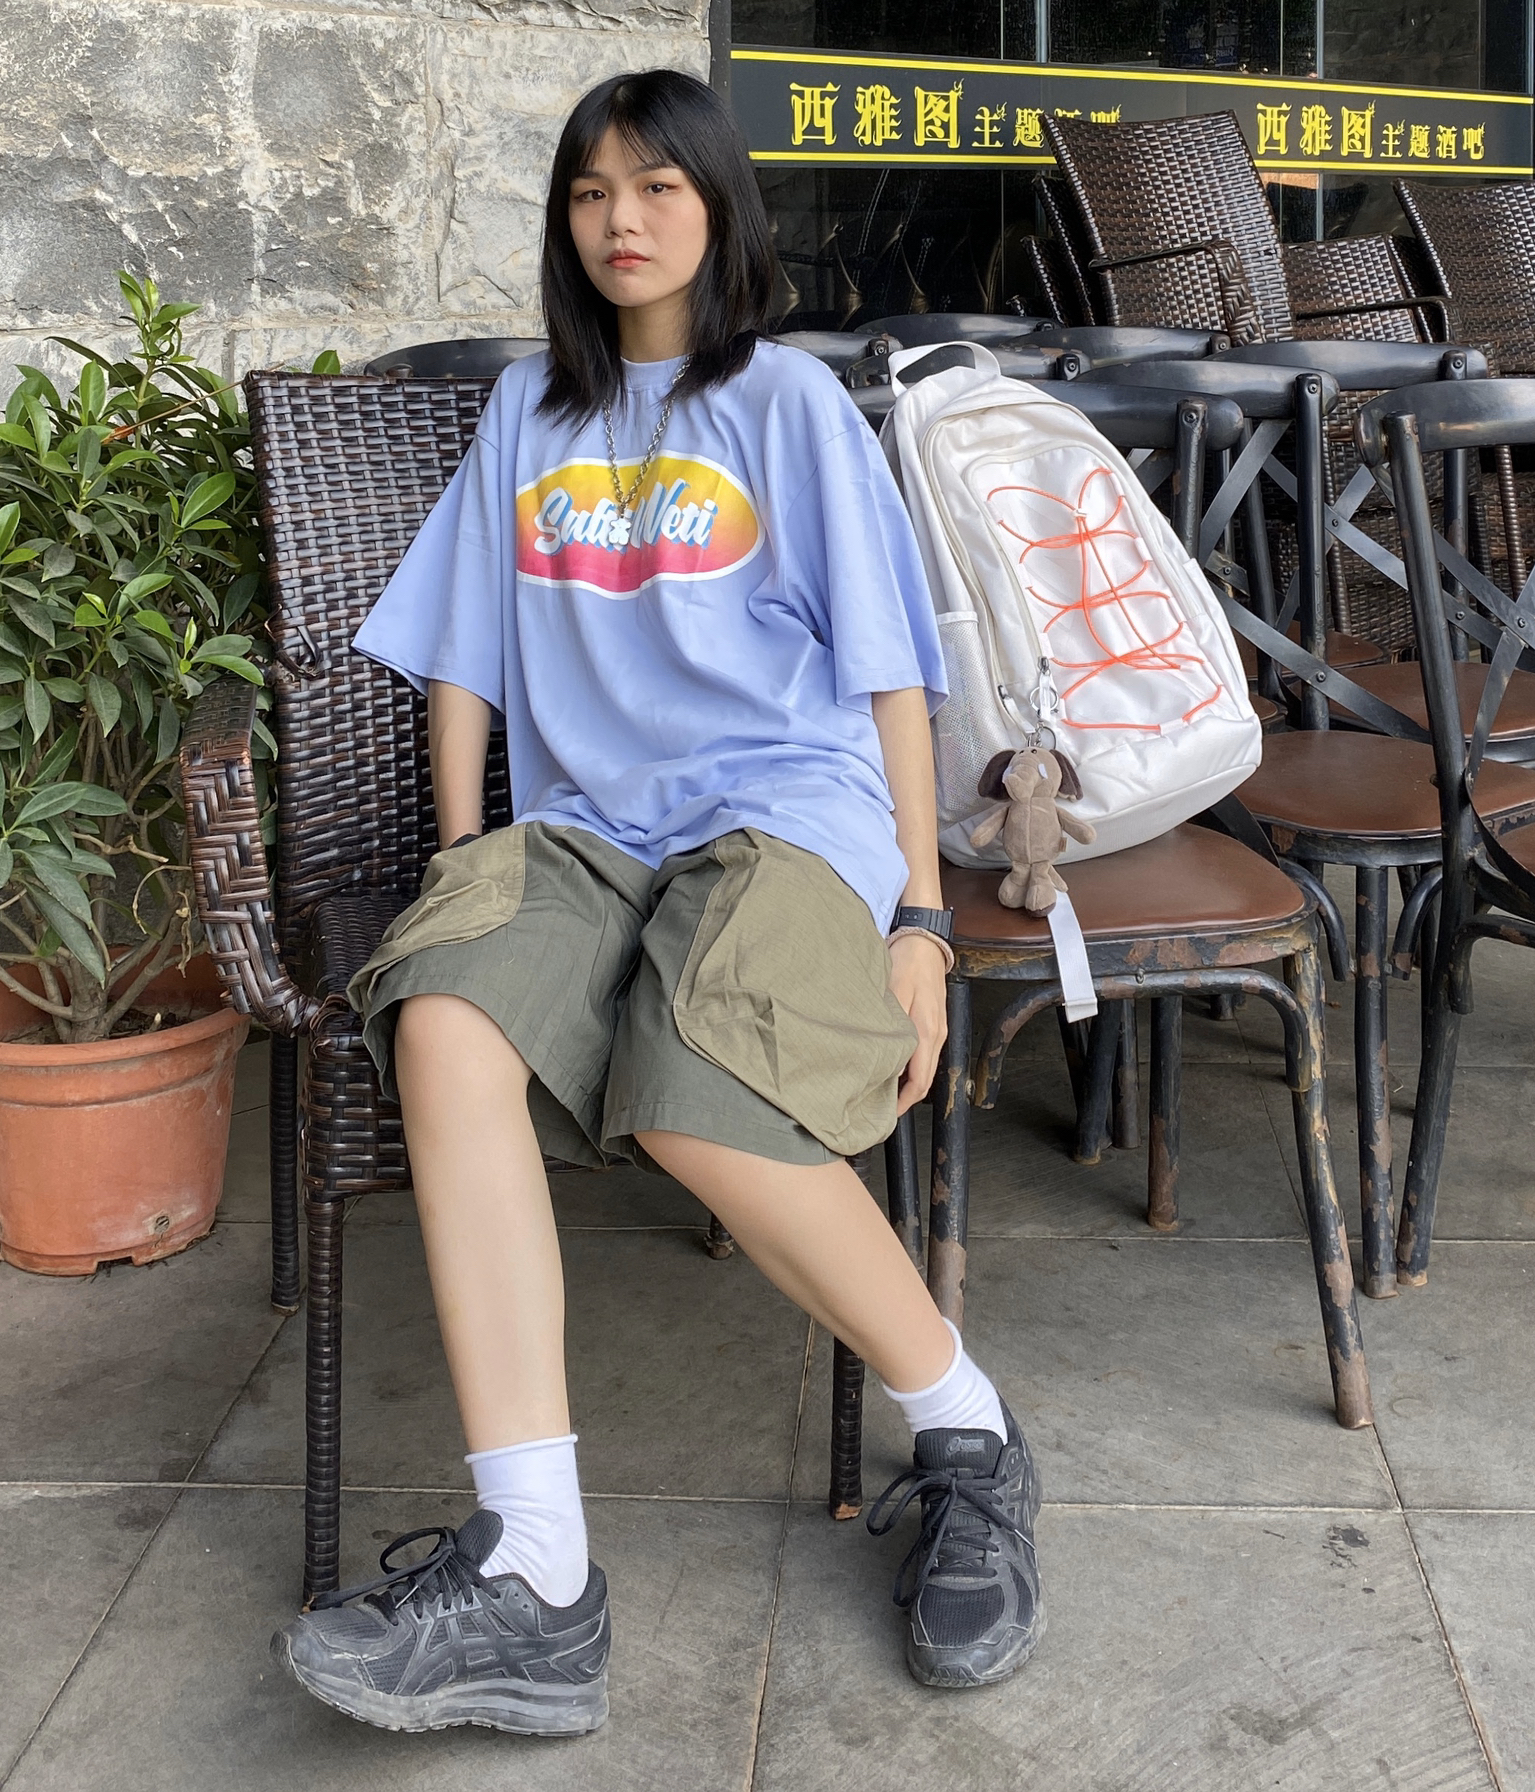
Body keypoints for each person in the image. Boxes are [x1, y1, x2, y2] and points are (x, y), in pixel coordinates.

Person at [271, 67, 1043, 1737]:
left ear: (718, 208)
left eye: (657, 188)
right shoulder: (526, 414)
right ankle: (536, 1571)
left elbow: (891, 674)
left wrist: (921, 919)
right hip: (585, 828)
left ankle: (967, 1429)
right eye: (590, 193)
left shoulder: (788, 403)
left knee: (699, 1092)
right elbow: (464, 661)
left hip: (783, 815)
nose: (621, 221)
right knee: (445, 1019)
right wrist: (467, 855)